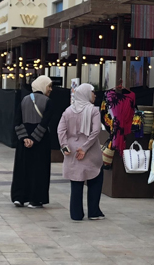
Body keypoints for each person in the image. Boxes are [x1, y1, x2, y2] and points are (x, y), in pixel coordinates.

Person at [57, 83, 104, 221]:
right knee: (95, 179)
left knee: (76, 181)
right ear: (86, 94)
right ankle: (94, 212)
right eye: (92, 92)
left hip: (72, 151)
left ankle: (76, 214)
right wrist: (84, 147)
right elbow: (96, 130)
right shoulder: (93, 110)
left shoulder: (68, 111)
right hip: (90, 150)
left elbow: (60, 130)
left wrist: (64, 146)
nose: (94, 95)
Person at [12, 76, 54, 208]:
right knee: (39, 170)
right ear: (43, 86)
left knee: (22, 168)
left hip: (23, 141)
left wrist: (25, 138)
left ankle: (19, 197)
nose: (50, 89)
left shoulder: (24, 100)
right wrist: (34, 139)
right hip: (41, 141)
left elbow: (17, 121)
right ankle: (35, 199)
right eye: (49, 86)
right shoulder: (48, 101)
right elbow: (44, 122)